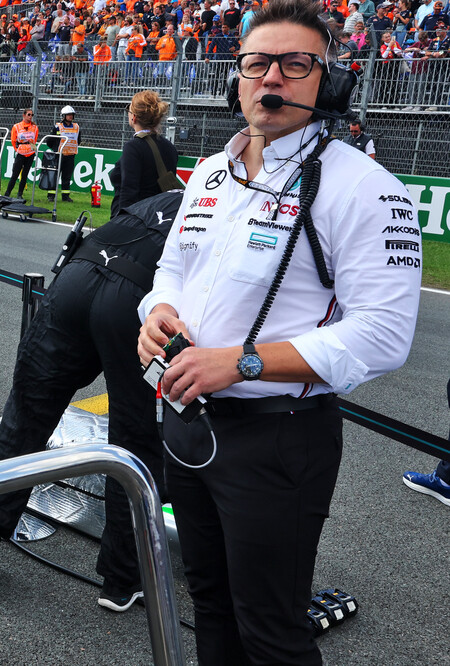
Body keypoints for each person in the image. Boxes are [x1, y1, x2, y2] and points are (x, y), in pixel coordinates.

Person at [136, 0, 422, 662]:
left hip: (279, 443)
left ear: (329, 81)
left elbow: (383, 336)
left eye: (296, 65)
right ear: (236, 77)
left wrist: (241, 364)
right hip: (185, 417)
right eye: (257, 64)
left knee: (271, 630)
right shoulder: (210, 171)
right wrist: (154, 313)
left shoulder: (367, 190)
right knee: (208, 601)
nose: (272, 80)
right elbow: (170, 272)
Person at [0, 192, 178, 613]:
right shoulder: (232, 207)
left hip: (79, 274)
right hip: (137, 300)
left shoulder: (173, 194)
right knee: (136, 440)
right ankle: (122, 579)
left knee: (28, 411)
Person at [112, 90, 179, 217]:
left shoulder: (133, 147)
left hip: (137, 221)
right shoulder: (169, 147)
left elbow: (128, 192)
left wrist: (120, 224)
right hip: (159, 220)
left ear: (134, 117)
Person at [3, 108, 38, 200]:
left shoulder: (35, 127)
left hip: (30, 152)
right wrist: (17, 149)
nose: (30, 117)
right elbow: (13, 140)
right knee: (15, 174)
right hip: (21, 152)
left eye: (32, 115)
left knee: (25, 174)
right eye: (29, 114)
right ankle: (7, 193)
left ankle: (20, 194)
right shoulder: (17, 126)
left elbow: (35, 139)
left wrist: (31, 147)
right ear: (24, 115)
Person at [54, 105, 80, 201]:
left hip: (70, 155)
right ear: (63, 116)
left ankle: (65, 196)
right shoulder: (58, 127)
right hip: (59, 155)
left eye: (71, 115)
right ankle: (51, 196)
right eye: (68, 115)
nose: (70, 117)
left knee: (67, 177)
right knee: (55, 175)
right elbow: (51, 140)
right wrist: (56, 149)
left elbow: (78, 139)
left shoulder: (76, 127)